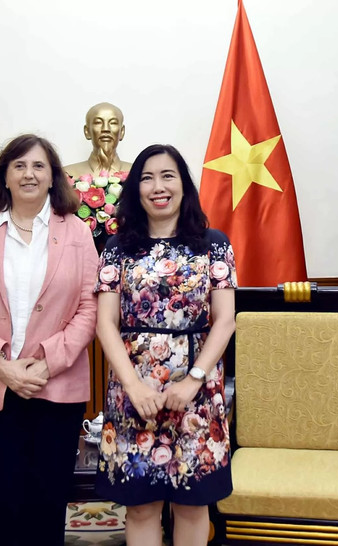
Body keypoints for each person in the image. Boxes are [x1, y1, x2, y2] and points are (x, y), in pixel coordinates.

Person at [0, 134, 100, 546]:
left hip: (57, 386)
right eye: (19, 165)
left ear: (54, 177)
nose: (29, 174)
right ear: (5, 176)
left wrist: (48, 363)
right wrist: (1, 364)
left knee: (47, 500)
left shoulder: (78, 233)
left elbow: (90, 310)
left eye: (38, 166)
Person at [94, 144, 237, 545]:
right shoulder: (117, 247)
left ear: (183, 185)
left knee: (192, 502)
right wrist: (134, 387)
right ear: (136, 189)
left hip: (198, 392)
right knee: (140, 504)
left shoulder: (213, 243)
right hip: (133, 389)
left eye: (167, 176)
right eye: (147, 177)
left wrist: (193, 380)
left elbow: (224, 320)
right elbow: (105, 323)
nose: (158, 186)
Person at [64, 102, 133, 178]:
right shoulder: (67, 174)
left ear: (122, 132)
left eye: (113, 123)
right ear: (87, 131)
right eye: (98, 122)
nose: (106, 129)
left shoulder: (137, 173)